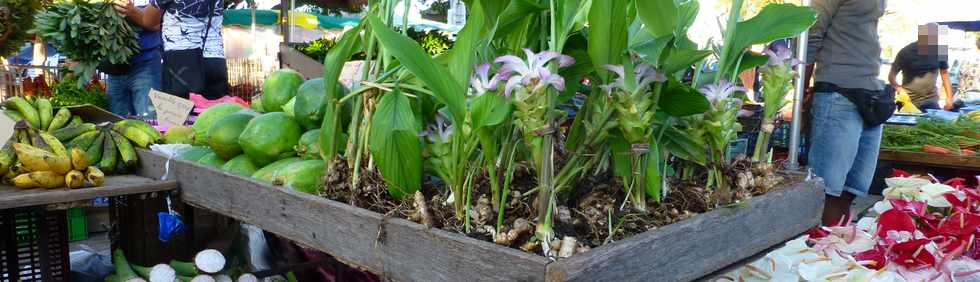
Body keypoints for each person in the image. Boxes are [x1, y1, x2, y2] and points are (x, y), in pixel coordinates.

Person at [804, 0, 886, 227]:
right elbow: (812, 33)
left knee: (853, 188)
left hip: (870, 95)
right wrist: (801, 95)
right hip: (838, 93)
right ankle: (822, 249)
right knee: (826, 190)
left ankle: (838, 245)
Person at [113, 0, 227, 99]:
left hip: (181, 62)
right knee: (213, 115)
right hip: (215, 59)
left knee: (181, 119)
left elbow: (147, 20)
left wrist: (131, 10)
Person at [106, 0, 161, 118]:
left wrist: (132, 11)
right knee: (117, 123)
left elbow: (157, 24)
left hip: (145, 64)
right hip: (114, 66)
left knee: (149, 120)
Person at [888, 23, 954, 110]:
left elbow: (944, 74)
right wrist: (899, 88)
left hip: (930, 100)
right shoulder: (906, 51)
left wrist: (949, 98)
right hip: (907, 100)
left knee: (935, 122)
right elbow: (891, 76)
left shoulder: (940, 50)